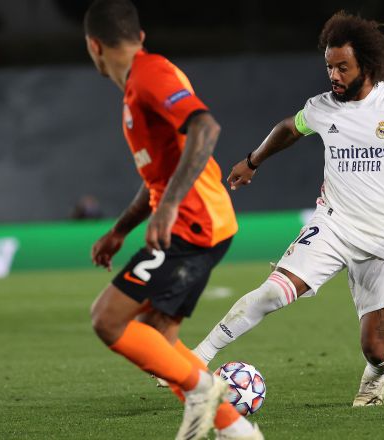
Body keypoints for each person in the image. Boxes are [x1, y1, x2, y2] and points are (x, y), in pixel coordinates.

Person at [193, 11, 384, 407]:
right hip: (334, 224)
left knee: (375, 348)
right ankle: (195, 359)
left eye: (343, 67)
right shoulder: (323, 107)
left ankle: (377, 373)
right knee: (272, 293)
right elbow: (290, 129)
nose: (334, 75)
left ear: (368, 65)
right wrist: (253, 161)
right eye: (329, 67)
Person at [82, 1, 263, 439]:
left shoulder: (151, 75)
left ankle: (204, 389)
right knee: (157, 338)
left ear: (94, 46)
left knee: (108, 320)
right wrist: (121, 229)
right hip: (198, 223)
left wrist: (168, 207)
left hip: (192, 224)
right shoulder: (136, 90)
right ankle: (237, 432)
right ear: (139, 36)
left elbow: (206, 128)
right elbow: (159, 178)